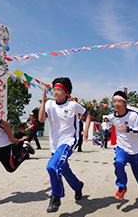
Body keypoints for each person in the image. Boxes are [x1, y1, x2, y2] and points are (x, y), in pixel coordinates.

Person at [39, 77, 91, 213]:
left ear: (66, 92)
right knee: (64, 169)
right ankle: (77, 186)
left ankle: (56, 196)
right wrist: (43, 102)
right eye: (54, 89)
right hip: (54, 144)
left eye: (59, 89)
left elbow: (87, 114)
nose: (55, 92)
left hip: (68, 142)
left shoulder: (73, 105)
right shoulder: (49, 104)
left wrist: (85, 130)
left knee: (52, 167)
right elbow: (41, 119)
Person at [106, 91, 138, 200]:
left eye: (119, 101)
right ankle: (122, 186)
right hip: (121, 147)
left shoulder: (133, 115)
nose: (116, 104)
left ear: (125, 103)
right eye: (114, 101)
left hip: (135, 149)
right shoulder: (111, 116)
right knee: (118, 163)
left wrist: (129, 129)